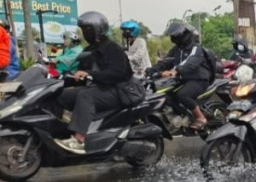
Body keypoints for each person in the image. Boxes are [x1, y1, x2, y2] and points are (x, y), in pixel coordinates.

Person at [56, 11, 136, 154]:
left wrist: (91, 74)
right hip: (101, 89)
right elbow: (80, 72)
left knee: (85, 96)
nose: (85, 33)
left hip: (119, 90)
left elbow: (119, 74)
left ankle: (79, 140)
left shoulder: (112, 49)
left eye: (88, 29)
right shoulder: (88, 50)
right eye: (83, 29)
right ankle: (58, 132)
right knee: (61, 95)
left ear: (98, 29)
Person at [153, 22, 214, 130]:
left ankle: (200, 118)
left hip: (199, 79)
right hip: (183, 79)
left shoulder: (196, 48)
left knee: (183, 95)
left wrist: (176, 71)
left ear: (185, 35)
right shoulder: (175, 50)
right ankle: (179, 116)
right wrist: (152, 70)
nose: (175, 38)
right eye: (173, 36)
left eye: (177, 36)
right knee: (166, 93)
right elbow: (166, 62)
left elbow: (191, 62)